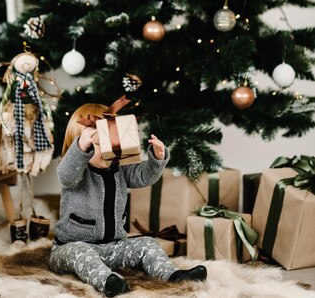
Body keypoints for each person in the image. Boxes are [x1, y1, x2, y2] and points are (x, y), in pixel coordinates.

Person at [49, 103, 207, 297]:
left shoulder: (119, 168)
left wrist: (157, 159)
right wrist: (81, 148)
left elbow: (143, 176)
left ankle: (172, 275)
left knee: (146, 243)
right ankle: (109, 282)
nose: (109, 151)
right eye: (99, 145)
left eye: (113, 144)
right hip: (69, 248)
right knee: (80, 251)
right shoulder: (75, 170)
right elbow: (66, 176)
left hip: (113, 247)